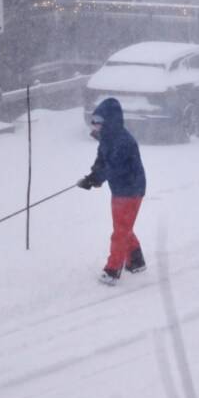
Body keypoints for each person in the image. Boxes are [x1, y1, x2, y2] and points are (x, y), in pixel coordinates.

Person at [77, 97, 147, 285]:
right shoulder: (107, 138)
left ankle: (113, 270)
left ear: (110, 121)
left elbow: (114, 167)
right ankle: (136, 260)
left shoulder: (123, 142)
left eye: (99, 121)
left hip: (131, 190)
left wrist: (96, 179)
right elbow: (102, 161)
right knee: (123, 227)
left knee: (120, 231)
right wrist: (92, 176)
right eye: (94, 121)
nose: (95, 125)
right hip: (119, 189)